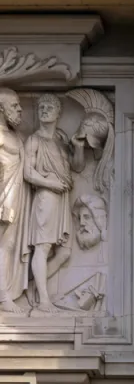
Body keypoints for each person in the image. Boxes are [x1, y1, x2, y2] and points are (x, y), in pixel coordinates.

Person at [24, 94, 84, 314]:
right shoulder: (34, 140)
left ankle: (31, 287)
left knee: (65, 252)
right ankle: (44, 302)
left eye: (50, 106)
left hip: (62, 196)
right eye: (41, 106)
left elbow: (76, 168)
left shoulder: (60, 139)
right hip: (46, 196)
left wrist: (77, 148)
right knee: (43, 247)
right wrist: (48, 182)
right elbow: (28, 172)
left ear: (59, 113)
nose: (45, 109)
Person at [0, 88, 29, 312]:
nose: (20, 109)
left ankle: (6, 294)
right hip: (3, 195)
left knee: (8, 246)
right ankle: (3, 297)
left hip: (15, 195)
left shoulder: (15, 137)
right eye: (14, 106)